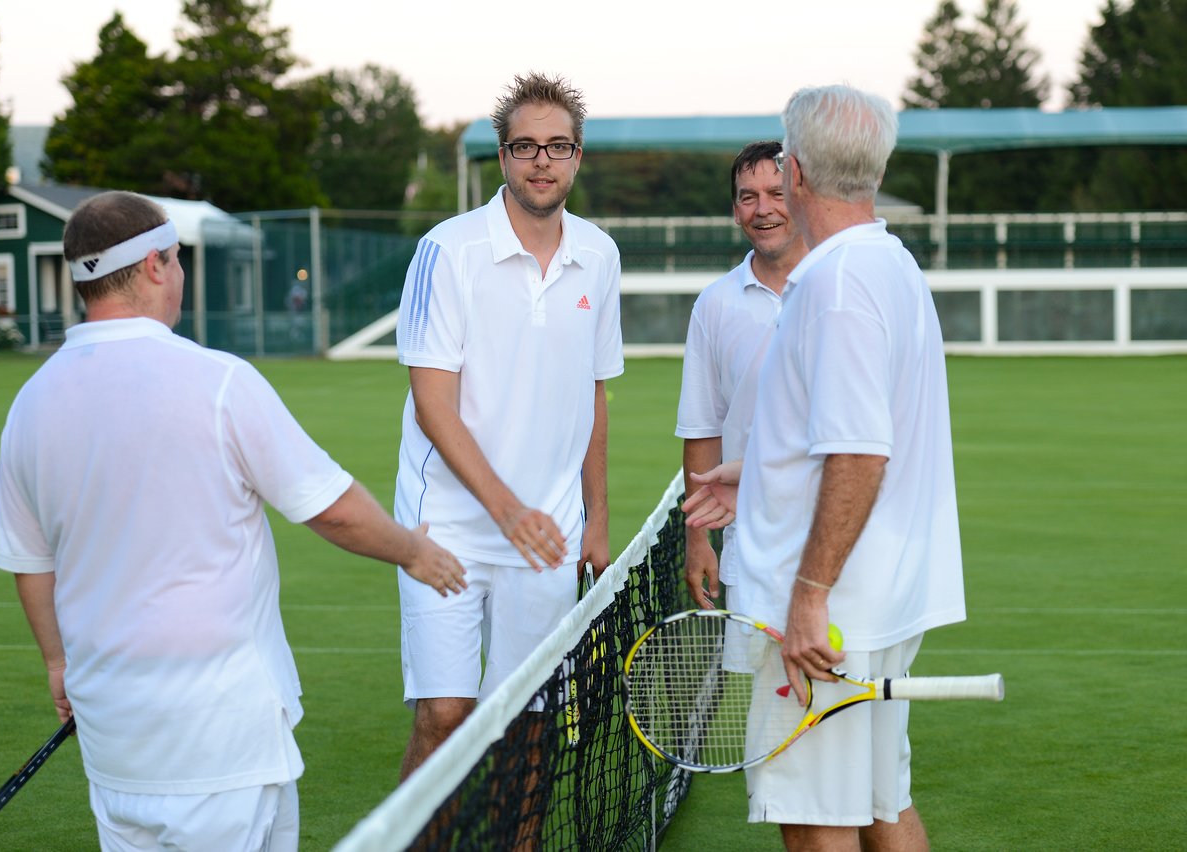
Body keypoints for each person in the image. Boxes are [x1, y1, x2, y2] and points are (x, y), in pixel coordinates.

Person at [0, 191, 467, 852]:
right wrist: (414, 551)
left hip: (113, 744)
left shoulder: (30, 403)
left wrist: (56, 663)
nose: (180, 274)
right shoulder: (217, 381)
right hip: (223, 745)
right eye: (178, 259)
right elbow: (333, 510)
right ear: (156, 266)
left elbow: (30, 561)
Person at [685, 85, 966, 850]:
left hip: (827, 617)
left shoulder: (836, 285)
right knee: (883, 807)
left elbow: (860, 453)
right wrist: (762, 472)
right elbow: (853, 435)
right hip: (873, 601)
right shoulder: (887, 263)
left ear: (798, 169)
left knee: (816, 828)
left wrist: (808, 597)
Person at [393, 71, 623, 780]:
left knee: (527, 725)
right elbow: (433, 403)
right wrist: (506, 510)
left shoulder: (600, 255)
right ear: (502, 157)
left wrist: (596, 518)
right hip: (449, 527)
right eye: (525, 146)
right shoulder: (446, 250)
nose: (542, 161)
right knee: (445, 715)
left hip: (547, 533)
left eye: (558, 146)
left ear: (578, 156)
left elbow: (593, 395)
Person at [676, 141, 807, 614]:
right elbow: (701, 429)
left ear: (801, 196)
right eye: (748, 197)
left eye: (777, 192)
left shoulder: (839, 285)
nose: (763, 209)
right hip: (753, 551)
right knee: (766, 692)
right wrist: (697, 542)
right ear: (735, 211)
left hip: (847, 545)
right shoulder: (714, 304)